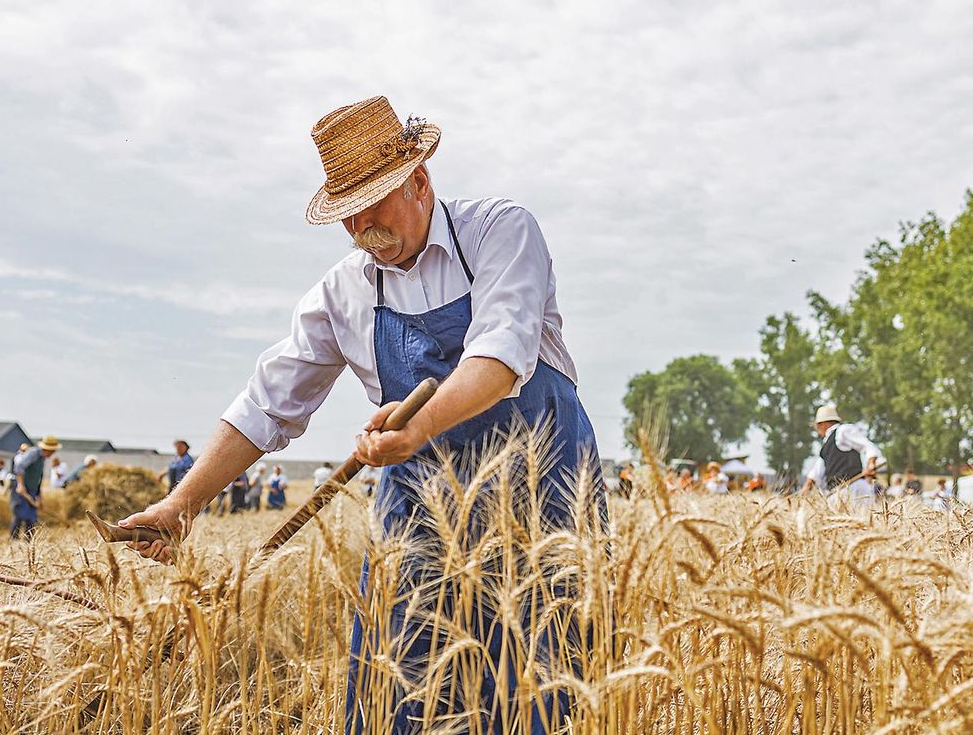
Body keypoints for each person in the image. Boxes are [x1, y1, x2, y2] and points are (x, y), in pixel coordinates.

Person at [118, 96, 607, 734]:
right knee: (399, 665)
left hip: (536, 482)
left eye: (372, 205)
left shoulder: (500, 230)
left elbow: (498, 356)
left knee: (539, 663)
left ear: (420, 181)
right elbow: (267, 404)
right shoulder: (342, 291)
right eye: (347, 216)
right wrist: (179, 507)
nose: (361, 230)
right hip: (423, 489)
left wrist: (420, 427)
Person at [800, 404, 883, 493]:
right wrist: (806, 487)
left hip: (854, 489)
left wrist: (871, 463)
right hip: (838, 492)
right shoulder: (826, 445)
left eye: (817, 426)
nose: (817, 430)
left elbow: (867, 445)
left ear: (823, 424)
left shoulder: (842, 431)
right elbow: (816, 471)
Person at [11, 436, 59, 539]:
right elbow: (18, 467)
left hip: (32, 490)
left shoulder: (42, 459)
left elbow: (38, 477)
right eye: (53, 450)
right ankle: (13, 540)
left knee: (31, 517)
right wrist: (20, 485)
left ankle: (29, 542)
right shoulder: (33, 453)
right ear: (48, 449)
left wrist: (39, 496)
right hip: (22, 488)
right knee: (20, 513)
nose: (53, 453)